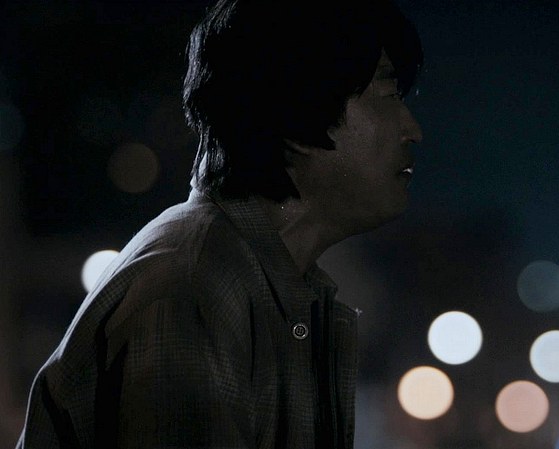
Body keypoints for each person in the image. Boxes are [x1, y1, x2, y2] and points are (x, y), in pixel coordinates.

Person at [17, 0, 423, 447]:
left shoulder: (265, 284)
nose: (413, 130)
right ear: (300, 114)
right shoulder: (193, 287)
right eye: (389, 96)